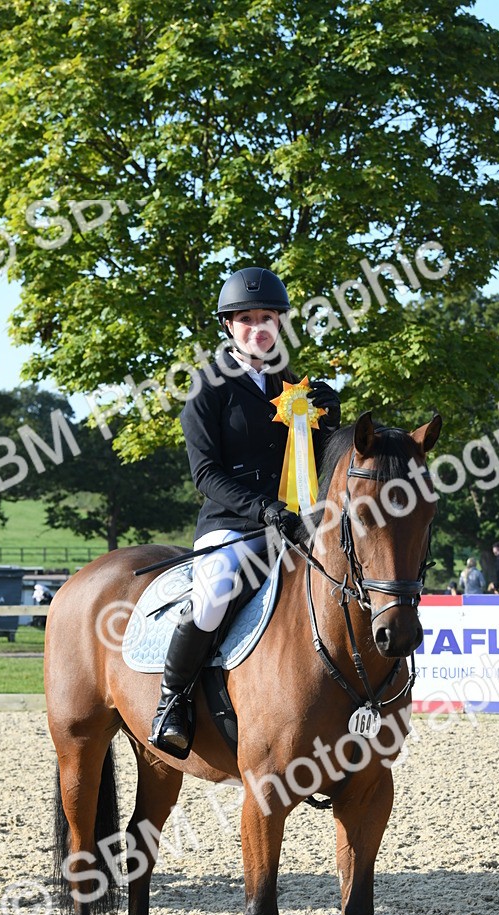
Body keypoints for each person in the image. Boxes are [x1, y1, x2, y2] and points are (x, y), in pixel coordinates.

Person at [149, 266, 341, 754]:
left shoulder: (293, 387)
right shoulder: (206, 388)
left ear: (279, 324)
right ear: (229, 327)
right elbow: (205, 475)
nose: (259, 327)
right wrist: (263, 510)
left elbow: (311, 468)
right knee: (214, 594)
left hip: (296, 524)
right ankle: (172, 701)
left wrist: (330, 423)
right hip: (233, 526)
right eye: (247, 318)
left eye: (268, 318)